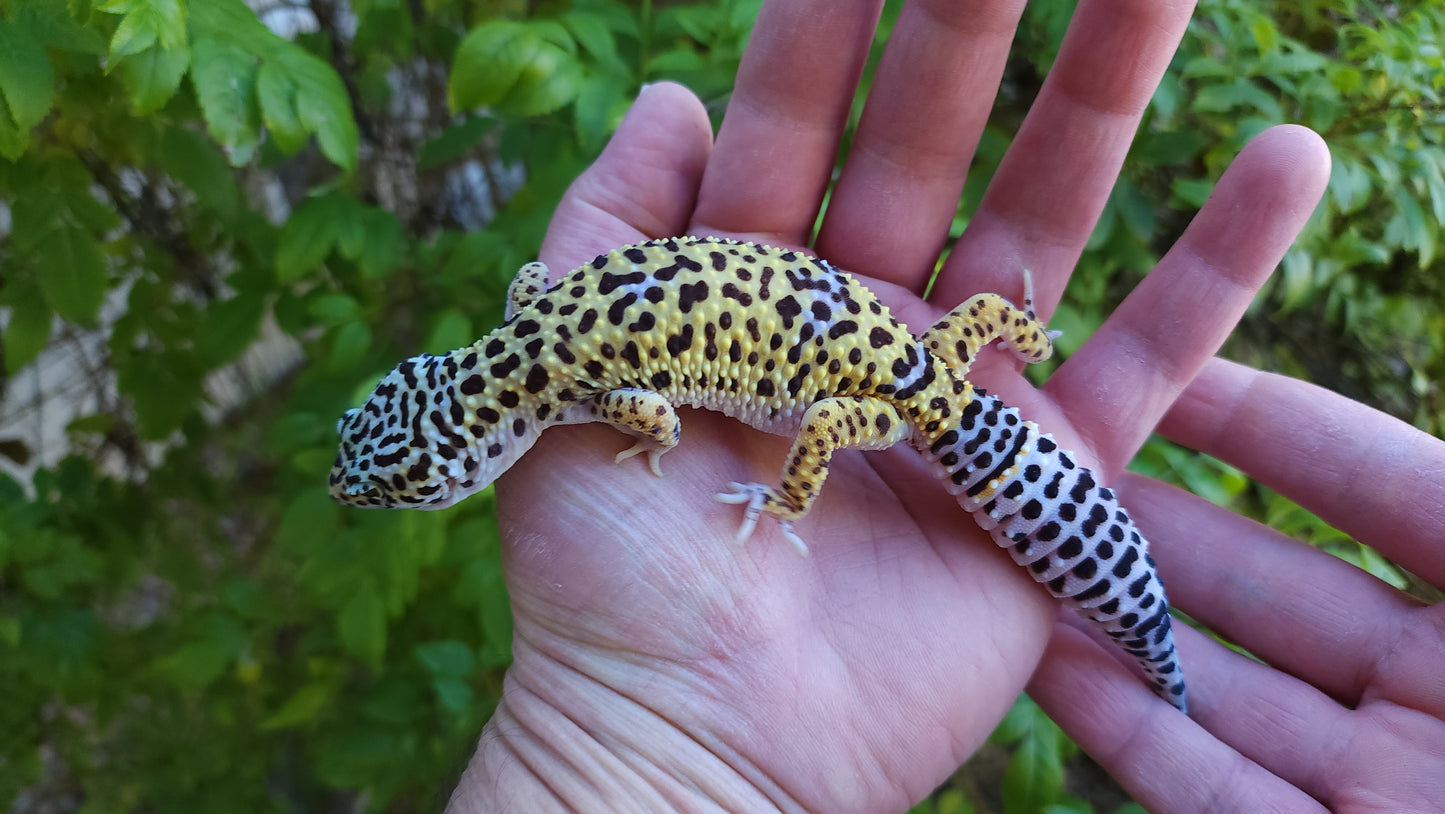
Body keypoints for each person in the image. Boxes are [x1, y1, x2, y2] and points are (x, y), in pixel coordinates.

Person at [445, 0, 1445, 810]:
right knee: (979, 397)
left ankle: (825, 503)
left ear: (477, 443)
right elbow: (542, 305)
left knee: (842, 423)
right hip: (928, 360)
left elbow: (666, 421)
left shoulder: (582, 390)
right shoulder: (528, 313)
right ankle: (1124, 593)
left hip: (879, 398)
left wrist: (769, 494)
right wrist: (1011, 331)